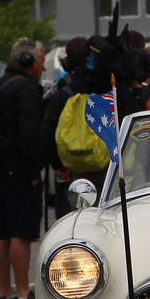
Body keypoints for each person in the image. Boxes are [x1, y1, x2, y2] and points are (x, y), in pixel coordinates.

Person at [0, 38, 46, 299]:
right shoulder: (26, 88)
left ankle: (5, 293)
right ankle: (23, 294)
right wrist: (34, 172)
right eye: (41, 61)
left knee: (1, 232)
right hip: (18, 168)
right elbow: (29, 133)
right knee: (21, 233)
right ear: (29, 61)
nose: (43, 67)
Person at [41, 36, 107, 221]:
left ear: (67, 61)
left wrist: (58, 165)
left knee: (79, 221)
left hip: (75, 172)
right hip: (107, 167)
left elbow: (46, 134)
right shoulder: (105, 90)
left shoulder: (62, 94)